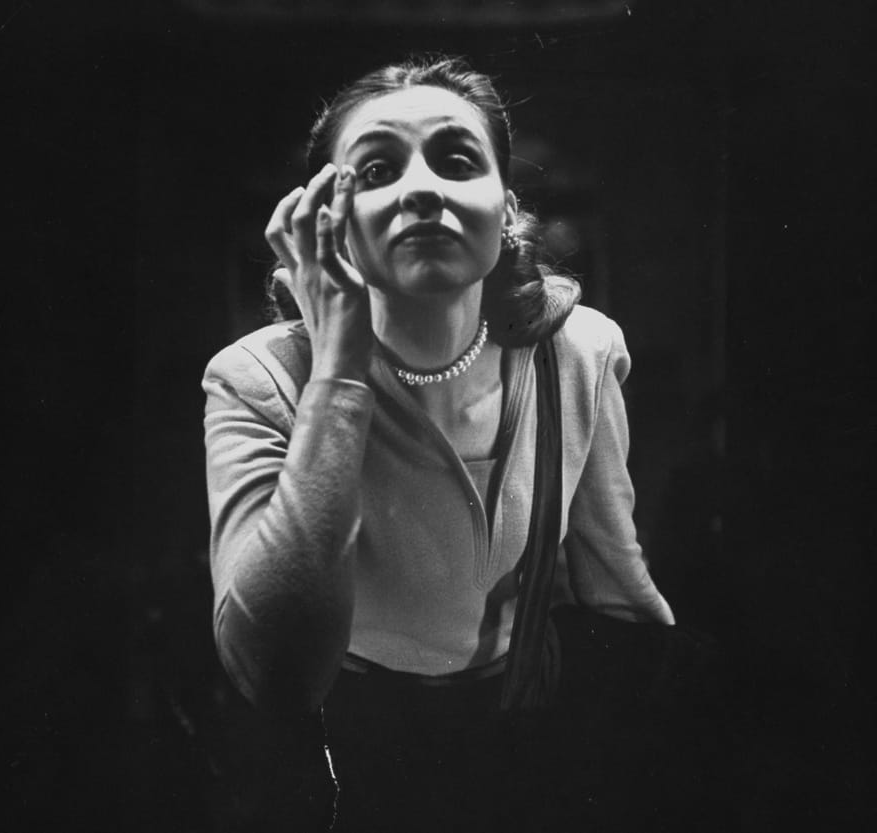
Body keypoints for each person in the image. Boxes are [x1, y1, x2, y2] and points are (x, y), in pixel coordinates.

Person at [202, 55, 675, 832]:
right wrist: (340, 372)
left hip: (519, 732)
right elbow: (278, 671)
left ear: (506, 205)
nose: (422, 187)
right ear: (326, 221)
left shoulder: (578, 351)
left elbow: (616, 583)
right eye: (378, 169)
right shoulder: (259, 376)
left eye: (457, 160)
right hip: (344, 744)